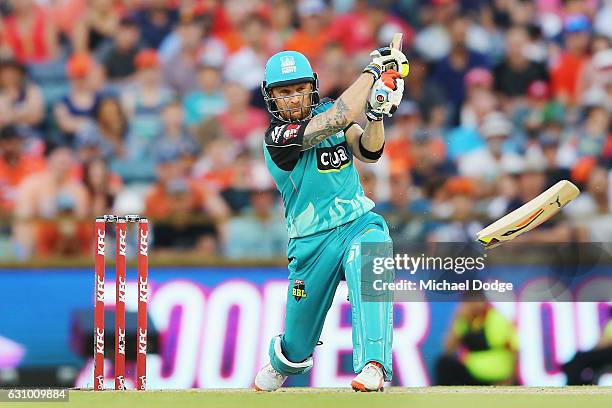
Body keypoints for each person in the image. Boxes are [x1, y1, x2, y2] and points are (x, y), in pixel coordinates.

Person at [254, 47, 408, 392]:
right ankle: (281, 363)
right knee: (296, 345)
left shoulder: (328, 111)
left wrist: (377, 114)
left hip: (357, 222)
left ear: (311, 87)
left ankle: (373, 365)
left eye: (298, 89)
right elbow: (338, 118)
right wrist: (372, 72)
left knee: (373, 255)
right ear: (271, 98)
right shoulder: (276, 139)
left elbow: (369, 151)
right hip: (311, 245)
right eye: (284, 92)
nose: (293, 99)